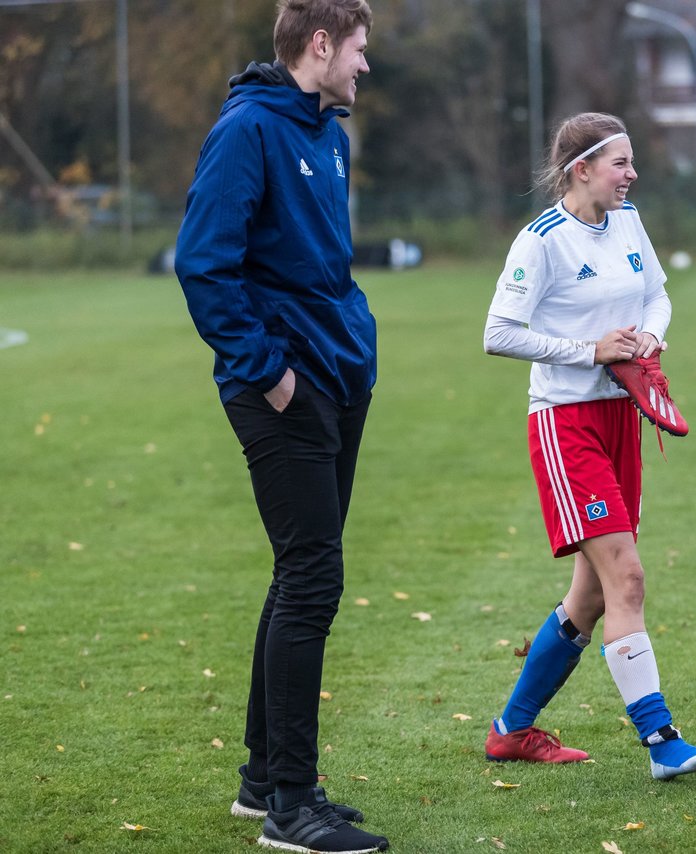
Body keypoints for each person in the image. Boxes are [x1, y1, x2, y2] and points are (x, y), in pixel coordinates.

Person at [174, 2, 388, 851]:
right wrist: (271, 375)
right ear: (322, 44)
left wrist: (354, 356)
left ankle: (265, 781)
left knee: (299, 574)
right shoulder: (247, 131)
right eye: (361, 50)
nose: (366, 68)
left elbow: (323, 269)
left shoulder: (328, 133)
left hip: (339, 381)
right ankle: (292, 809)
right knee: (313, 580)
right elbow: (203, 263)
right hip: (284, 392)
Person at [481, 111, 696, 780]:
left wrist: (649, 335)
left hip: (624, 416)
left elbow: (658, 295)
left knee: (590, 596)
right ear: (580, 168)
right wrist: (587, 351)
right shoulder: (541, 242)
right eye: (620, 162)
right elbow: (498, 332)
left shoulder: (628, 221)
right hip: (567, 424)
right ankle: (662, 741)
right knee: (628, 578)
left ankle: (511, 731)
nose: (632, 173)